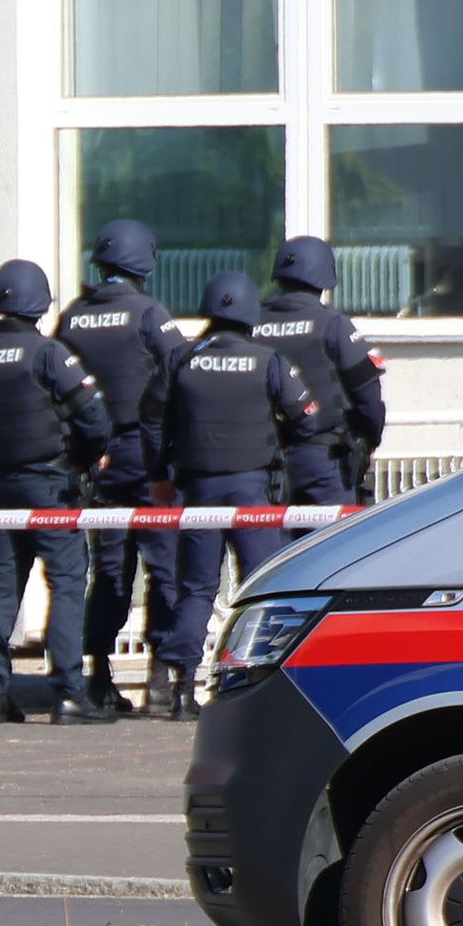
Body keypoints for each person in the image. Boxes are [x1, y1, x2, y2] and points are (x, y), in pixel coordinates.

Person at [142, 269, 330, 718]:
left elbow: (150, 419)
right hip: (252, 494)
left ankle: (182, 689)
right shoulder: (269, 361)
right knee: (265, 591)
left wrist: (160, 475)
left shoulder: (181, 359)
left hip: (199, 491)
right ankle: (262, 687)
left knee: (195, 590)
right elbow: (308, 417)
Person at [0, 259, 112, 728]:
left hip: (5, 490)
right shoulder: (48, 353)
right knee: (65, 584)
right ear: (38, 303)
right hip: (53, 487)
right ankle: (67, 692)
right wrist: (89, 459)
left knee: (3, 583)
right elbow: (94, 419)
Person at [57, 220, 187, 716]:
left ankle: (98, 676)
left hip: (95, 458)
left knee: (109, 569)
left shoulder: (72, 317)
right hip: (144, 453)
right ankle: (161, 678)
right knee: (162, 565)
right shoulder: (149, 314)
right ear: (143, 261)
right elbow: (180, 373)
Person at [254, 235, 389, 515]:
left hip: (262, 462)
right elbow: (368, 396)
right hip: (324, 461)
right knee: (333, 552)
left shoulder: (251, 323)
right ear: (324, 277)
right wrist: (368, 440)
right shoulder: (333, 326)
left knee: (275, 555)